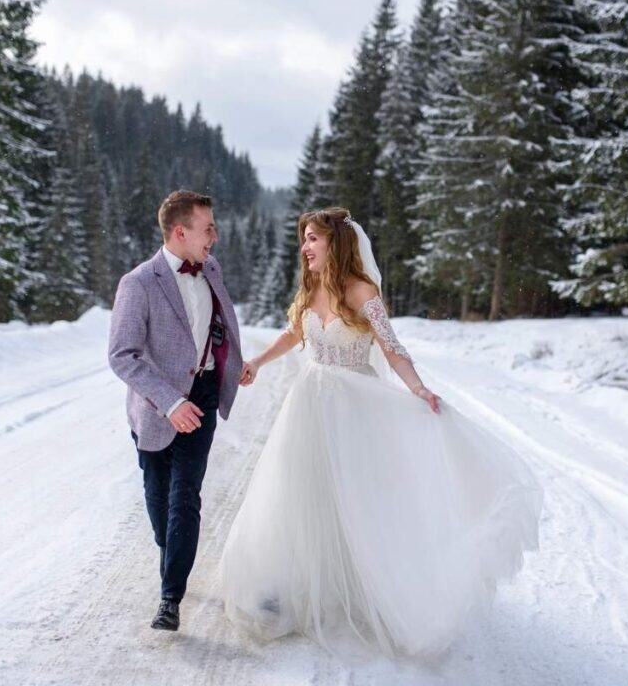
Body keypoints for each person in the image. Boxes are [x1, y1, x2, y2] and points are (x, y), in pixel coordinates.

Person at [219, 206, 543, 659]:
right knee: (304, 493)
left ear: (337, 243)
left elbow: (392, 350)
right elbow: (294, 335)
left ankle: (371, 589)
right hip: (308, 406)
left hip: (355, 412)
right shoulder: (311, 287)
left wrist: (418, 388)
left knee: (357, 496)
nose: (305, 247)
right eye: (304, 239)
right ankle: (300, 584)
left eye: (313, 238)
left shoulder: (362, 291)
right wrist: (255, 362)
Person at [108, 190, 243, 631]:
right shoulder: (139, 283)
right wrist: (169, 402)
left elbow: (215, 324)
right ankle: (171, 555)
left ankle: (170, 598)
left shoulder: (212, 270)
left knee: (186, 496)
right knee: (158, 497)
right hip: (155, 407)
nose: (215, 237)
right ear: (180, 231)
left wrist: (229, 365)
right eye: (208, 228)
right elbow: (123, 355)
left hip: (202, 397)